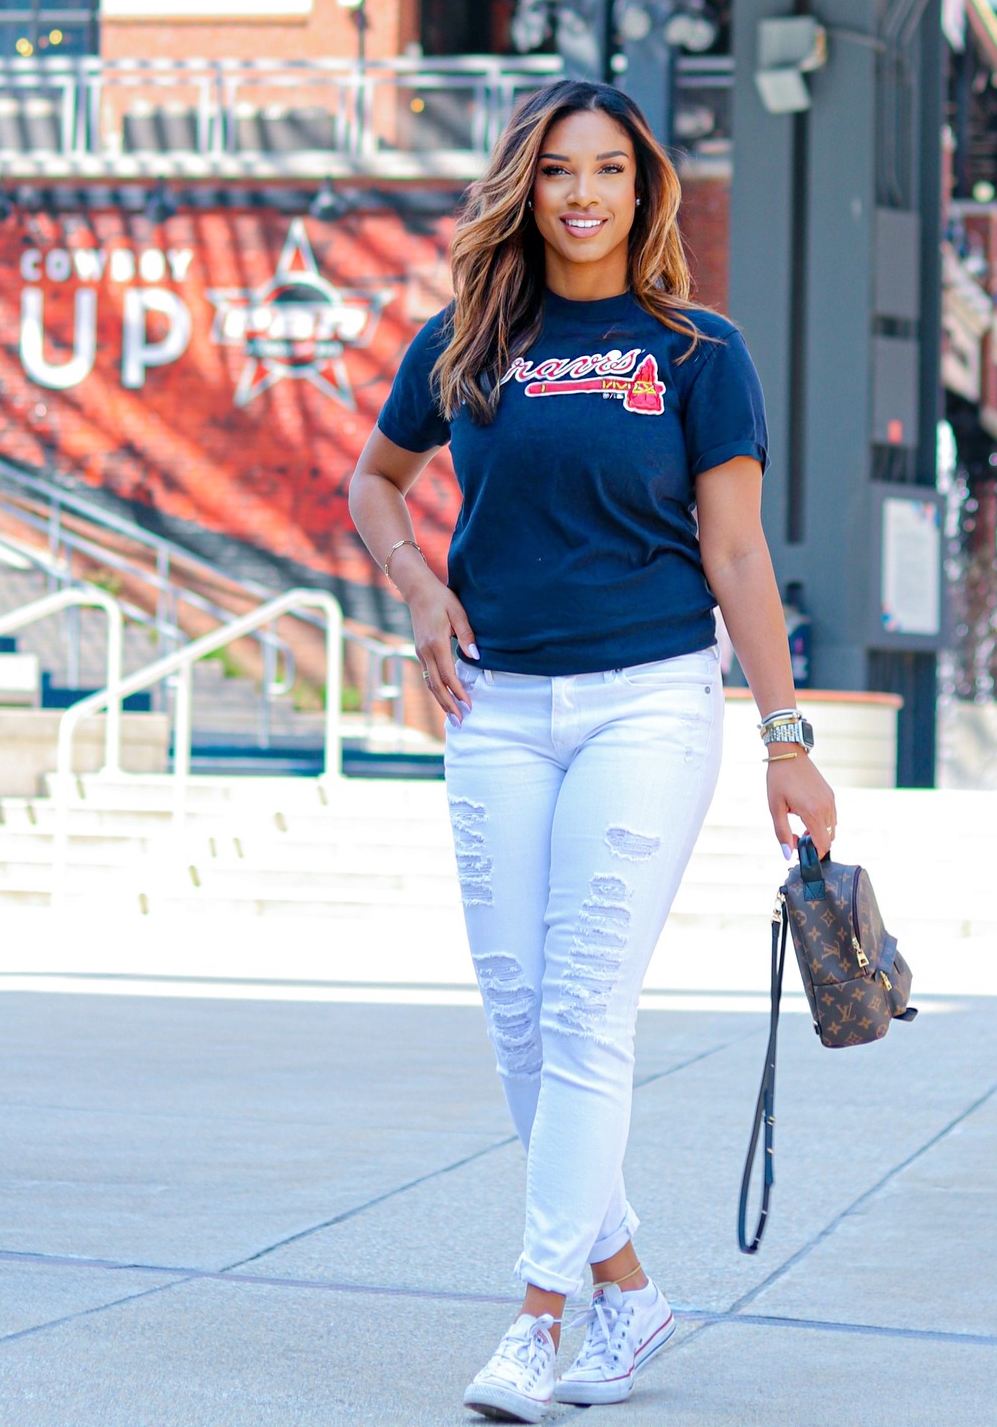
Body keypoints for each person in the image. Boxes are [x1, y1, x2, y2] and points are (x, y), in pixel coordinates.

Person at [348, 79, 836, 1421]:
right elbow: (375, 480)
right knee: (520, 1015)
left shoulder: (696, 352)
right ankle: (628, 1287)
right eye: (557, 170)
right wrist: (413, 580)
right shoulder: (466, 340)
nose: (582, 195)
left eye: (608, 170)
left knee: (580, 1009)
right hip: (494, 708)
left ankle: (538, 1318)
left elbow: (736, 554)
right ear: (525, 186)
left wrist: (784, 741)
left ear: (642, 189)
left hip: (647, 704)